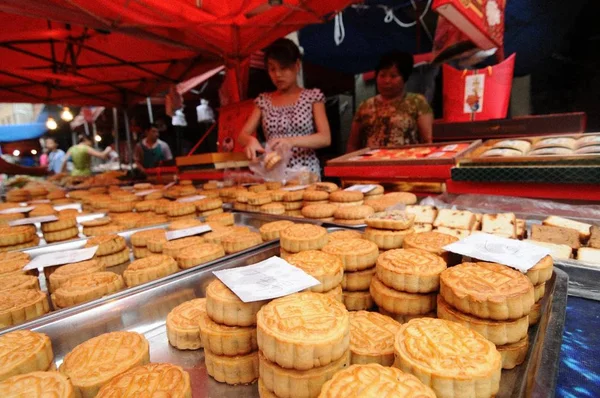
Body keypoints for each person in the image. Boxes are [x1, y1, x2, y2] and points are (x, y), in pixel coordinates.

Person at [238, 38, 331, 175]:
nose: (278, 74)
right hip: (274, 173)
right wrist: (250, 140)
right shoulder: (263, 101)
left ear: (297, 65)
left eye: (283, 68)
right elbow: (242, 136)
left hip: (306, 174)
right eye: (272, 69)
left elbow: (325, 138)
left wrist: (291, 141)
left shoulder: (313, 97)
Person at [347, 51, 433, 153]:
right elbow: (352, 144)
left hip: (406, 162)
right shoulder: (365, 106)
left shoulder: (417, 102)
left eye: (393, 76)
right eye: (382, 75)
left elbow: (426, 140)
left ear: (404, 78)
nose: (387, 81)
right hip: (371, 164)